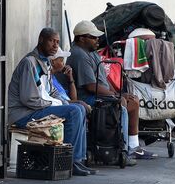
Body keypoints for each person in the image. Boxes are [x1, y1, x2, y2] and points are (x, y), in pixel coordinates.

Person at [7, 28, 97, 176]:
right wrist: (59, 105)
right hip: (25, 114)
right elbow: (29, 99)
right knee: (74, 111)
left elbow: (51, 92)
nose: (55, 45)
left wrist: (66, 102)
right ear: (41, 40)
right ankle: (70, 161)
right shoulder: (29, 63)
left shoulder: (45, 63)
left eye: (57, 42)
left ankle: (78, 160)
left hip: (37, 109)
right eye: (51, 41)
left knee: (78, 108)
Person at [66, 21, 156, 161]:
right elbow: (91, 86)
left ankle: (133, 146)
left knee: (132, 100)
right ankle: (124, 148)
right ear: (82, 38)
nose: (97, 40)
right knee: (123, 104)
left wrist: (117, 92)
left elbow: (104, 79)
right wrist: (116, 96)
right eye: (93, 37)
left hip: (100, 94)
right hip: (89, 97)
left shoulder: (92, 52)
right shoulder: (79, 54)